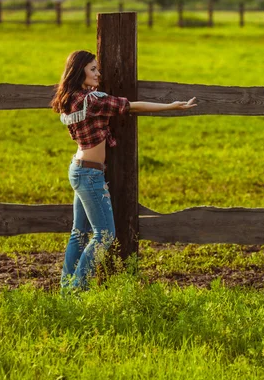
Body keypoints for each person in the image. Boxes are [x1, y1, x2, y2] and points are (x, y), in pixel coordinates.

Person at [51, 50, 197, 290]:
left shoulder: (71, 98)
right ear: (80, 72)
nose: (99, 74)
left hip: (77, 169)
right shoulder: (93, 100)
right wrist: (170, 106)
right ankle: (76, 289)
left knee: (79, 233)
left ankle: (67, 287)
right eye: (93, 69)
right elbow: (131, 106)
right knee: (104, 235)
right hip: (90, 174)